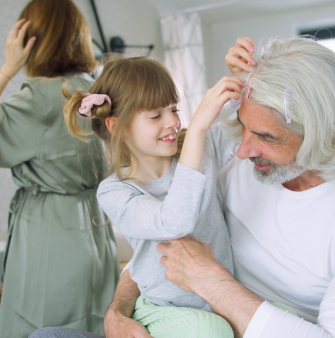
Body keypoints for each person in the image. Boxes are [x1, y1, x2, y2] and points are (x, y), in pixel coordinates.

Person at [32, 36, 335, 338]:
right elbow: (160, 248)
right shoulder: (234, 166)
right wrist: (117, 312)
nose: (242, 150)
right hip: (176, 316)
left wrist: (213, 282)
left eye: (264, 135)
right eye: (243, 126)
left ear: (319, 135)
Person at [0, 1, 119, 337]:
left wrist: (7, 69)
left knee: (43, 324)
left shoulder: (42, 96)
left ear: (31, 39)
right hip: (96, 229)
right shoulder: (95, 91)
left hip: (51, 236)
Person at [62, 55, 242, 337]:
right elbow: (175, 222)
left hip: (219, 301)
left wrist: (244, 79)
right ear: (116, 127)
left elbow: (246, 127)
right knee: (210, 330)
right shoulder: (115, 191)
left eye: (173, 109)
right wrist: (195, 128)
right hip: (164, 309)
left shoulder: (202, 150)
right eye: (156, 115)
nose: (172, 121)